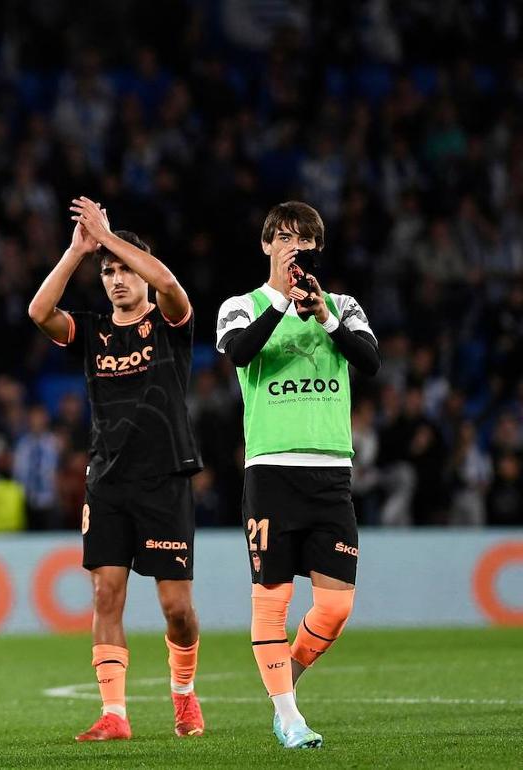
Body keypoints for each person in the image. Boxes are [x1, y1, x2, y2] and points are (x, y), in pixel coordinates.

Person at [28, 198, 204, 741]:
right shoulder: (92, 331)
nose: (116, 277)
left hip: (165, 479)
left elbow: (171, 283)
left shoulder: (171, 323)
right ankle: (115, 715)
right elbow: (38, 312)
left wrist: (110, 238)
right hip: (106, 483)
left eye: (125, 268)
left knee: (177, 609)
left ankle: (184, 695)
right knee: (106, 594)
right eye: (108, 271)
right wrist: (79, 249)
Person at [215, 201, 379, 750]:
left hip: (331, 470)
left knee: (335, 607)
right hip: (271, 469)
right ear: (266, 245)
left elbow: (369, 360)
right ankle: (289, 716)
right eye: (284, 237)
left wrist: (322, 313)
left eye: (304, 240)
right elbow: (239, 353)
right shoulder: (241, 305)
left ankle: (281, 682)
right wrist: (285, 303)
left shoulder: (343, 305)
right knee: (272, 599)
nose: (294, 247)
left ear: (316, 249)